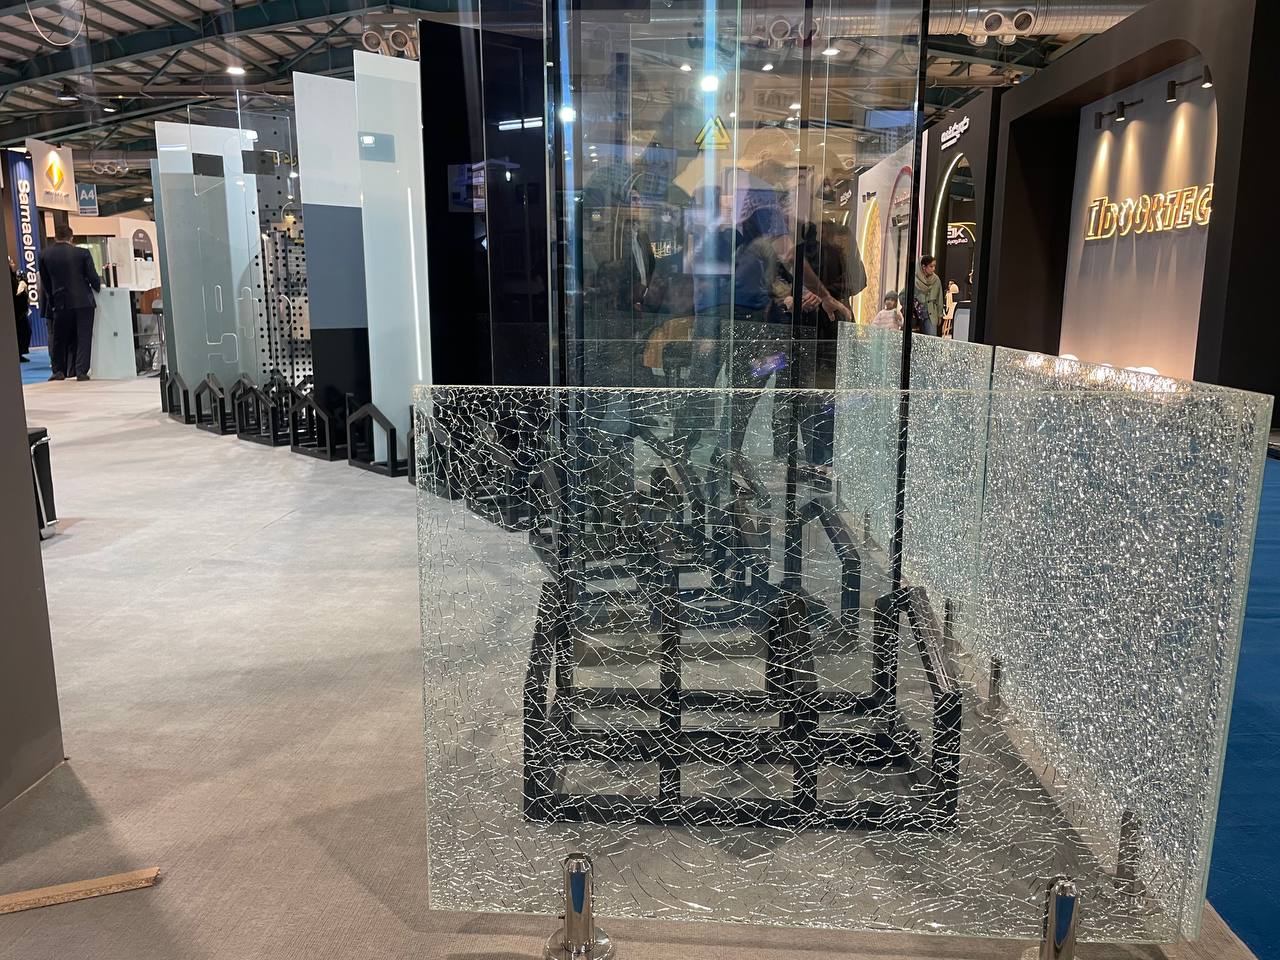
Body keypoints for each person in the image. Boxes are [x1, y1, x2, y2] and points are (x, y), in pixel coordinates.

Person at [39, 223, 101, 381]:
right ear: (71, 237)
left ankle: (58, 370)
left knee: (59, 337)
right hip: (83, 301)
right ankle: (81, 371)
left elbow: (46, 283)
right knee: (84, 336)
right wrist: (98, 287)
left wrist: (52, 300)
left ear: (55, 237)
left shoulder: (44, 255)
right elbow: (93, 277)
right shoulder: (82, 253)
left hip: (60, 301)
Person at [905, 254, 943, 336]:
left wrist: (940, 315)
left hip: (931, 314)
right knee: (915, 339)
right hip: (916, 314)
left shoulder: (936, 279)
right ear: (923, 267)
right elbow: (903, 295)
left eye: (934, 266)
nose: (933, 269)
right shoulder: (914, 279)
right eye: (931, 266)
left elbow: (939, 298)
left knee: (931, 339)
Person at [9, 257, 30, 362]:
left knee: (25, 331)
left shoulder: (14, 276)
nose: (13, 264)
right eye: (11, 262)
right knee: (20, 332)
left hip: (20, 311)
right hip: (16, 311)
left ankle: (20, 353)